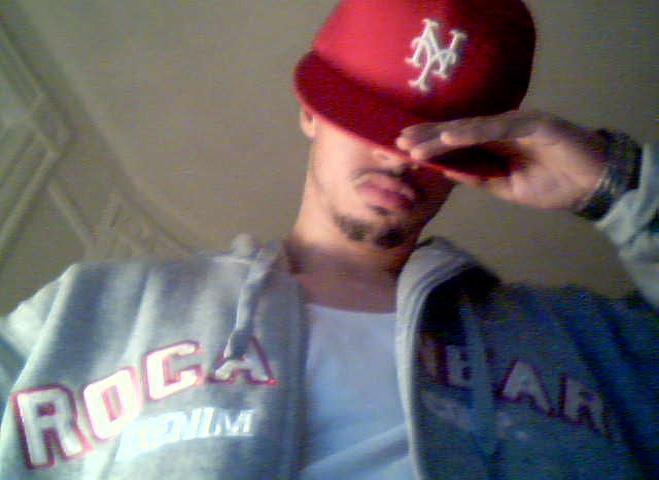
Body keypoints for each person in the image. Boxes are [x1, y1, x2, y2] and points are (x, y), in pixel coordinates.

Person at [1, 0, 656, 478]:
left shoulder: (580, 341)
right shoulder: (95, 311)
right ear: (310, 113)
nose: (401, 155)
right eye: (373, 120)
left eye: (441, 140)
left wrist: (619, 186)